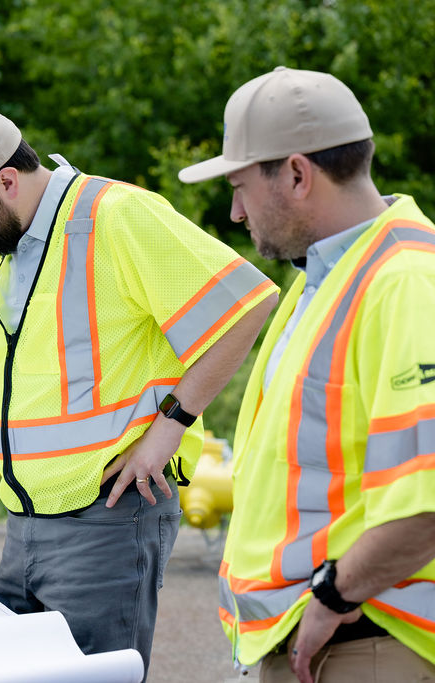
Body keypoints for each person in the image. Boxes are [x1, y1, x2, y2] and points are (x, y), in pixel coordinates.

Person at [0, 104, 278, 676]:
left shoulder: (118, 216)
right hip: (27, 521)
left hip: (109, 516)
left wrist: (168, 429)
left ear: (6, 181)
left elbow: (244, 305)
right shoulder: (3, 255)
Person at [179, 66, 435, 683]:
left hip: (369, 638)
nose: (236, 212)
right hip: (328, 637)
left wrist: (334, 596)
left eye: (239, 186)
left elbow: (428, 492)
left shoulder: (405, 280)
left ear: (297, 174)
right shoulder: (328, 275)